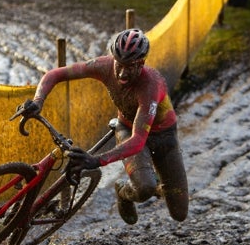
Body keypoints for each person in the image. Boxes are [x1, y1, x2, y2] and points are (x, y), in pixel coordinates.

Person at [22, 29, 188, 225]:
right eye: (120, 65)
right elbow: (55, 74)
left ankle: (161, 187)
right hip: (127, 128)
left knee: (179, 213)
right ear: (113, 59)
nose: (123, 73)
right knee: (145, 189)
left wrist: (97, 160)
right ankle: (125, 193)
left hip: (162, 136)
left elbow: (138, 141)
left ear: (141, 63)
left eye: (131, 66)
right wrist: (38, 101)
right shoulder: (104, 65)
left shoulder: (150, 85)